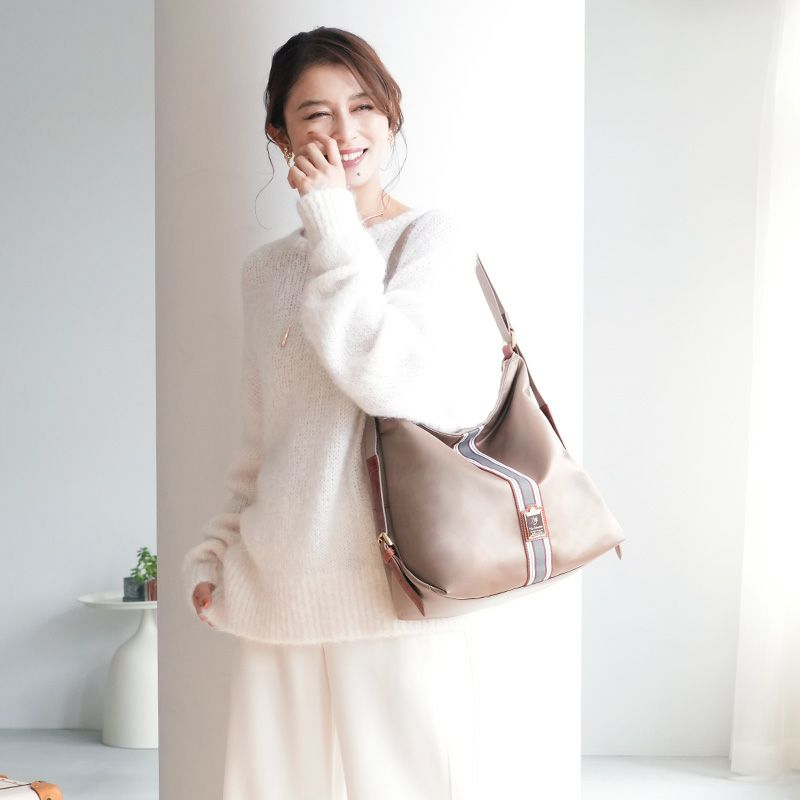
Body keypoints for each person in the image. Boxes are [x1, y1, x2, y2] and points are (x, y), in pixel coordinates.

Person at [182, 25, 503, 800]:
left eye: (363, 106)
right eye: (315, 114)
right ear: (280, 133)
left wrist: (331, 221)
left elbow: (386, 376)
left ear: (391, 116)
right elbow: (264, 445)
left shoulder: (430, 239)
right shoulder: (265, 273)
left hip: (396, 597)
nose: (344, 131)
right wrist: (214, 555)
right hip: (273, 593)